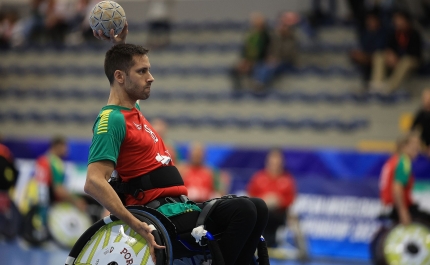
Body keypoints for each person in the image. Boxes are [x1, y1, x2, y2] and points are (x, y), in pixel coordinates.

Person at [87, 26, 269, 264]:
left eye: (149, 70)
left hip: (179, 207)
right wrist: (136, 224)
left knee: (258, 207)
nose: (151, 77)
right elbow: (93, 182)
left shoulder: (132, 111)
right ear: (121, 77)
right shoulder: (111, 119)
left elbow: (118, 71)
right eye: (142, 71)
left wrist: (119, 44)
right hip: (157, 214)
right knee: (243, 211)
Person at [247, 148, 296, 248]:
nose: (275, 163)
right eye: (272, 161)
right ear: (268, 161)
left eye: (277, 161)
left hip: (279, 215)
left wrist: (280, 201)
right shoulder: (258, 177)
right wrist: (263, 200)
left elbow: (291, 199)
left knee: (293, 218)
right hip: (261, 213)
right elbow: (250, 196)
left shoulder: (287, 179)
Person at [379, 133, 430, 225]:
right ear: (403, 146)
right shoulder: (404, 162)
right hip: (397, 207)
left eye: (418, 144)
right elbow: (397, 188)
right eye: (414, 144)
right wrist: (403, 212)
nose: (417, 148)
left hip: (389, 205)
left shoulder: (394, 160)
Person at [370, 11, 423, 93]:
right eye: (396, 20)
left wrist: (399, 59)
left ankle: (390, 87)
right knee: (379, 55)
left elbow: (416, 54)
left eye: (399, 20)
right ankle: (377, 84)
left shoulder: (415, 34)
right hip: (395, 60)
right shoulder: (393, 33)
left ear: (406, 21)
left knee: (406, 61)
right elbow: (388, 47)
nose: (397, 22)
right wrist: (390, 55)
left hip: (410, 61)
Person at [33, 136, 87, 213]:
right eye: (65, 146)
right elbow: (58, 189)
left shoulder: (41, 160)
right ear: (58, 146)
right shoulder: (55, 163)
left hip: (36, 204)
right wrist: (76, 200)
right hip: (48, 207)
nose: (67, 149)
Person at [253, 11, 299, 90]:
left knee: (270, 67)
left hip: (286, 62)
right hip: (274, 60)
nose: (282, 28)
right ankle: (257, 82)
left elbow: (290, 55)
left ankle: (261, 84)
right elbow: (270, 50)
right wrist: (270, 58)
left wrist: (277, 60)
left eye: (284, 26)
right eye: (280, 25)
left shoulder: (292, 39)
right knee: (260, 65)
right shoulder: (275, 37)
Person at [230, 12, 271, 91]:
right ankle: (238, 90)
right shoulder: (250, 35)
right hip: (248, 59)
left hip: (259, 60)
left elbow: (264, 51)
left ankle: (256, 87)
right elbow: (245, 49)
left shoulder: (266, 36)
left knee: (258, 68)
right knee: (234, 69)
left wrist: (252, 62)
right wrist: (244, 60)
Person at [349, 10, 387, 89]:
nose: (370, 22)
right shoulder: (365, 33)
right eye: (369, 20)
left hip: (381, 57)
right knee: (355, 55)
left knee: (378, 56)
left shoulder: (384, 33)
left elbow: (381, 49)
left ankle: (376, 85)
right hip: (367, 57)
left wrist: (366, 56)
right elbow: (363, 47)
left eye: (372, 20)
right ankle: (367, 83)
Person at [411, 88, 430, 157]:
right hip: (424, 145)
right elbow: (413, 129)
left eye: (428, 98)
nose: (427, 100)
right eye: (425, 98)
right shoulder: (421, 113)